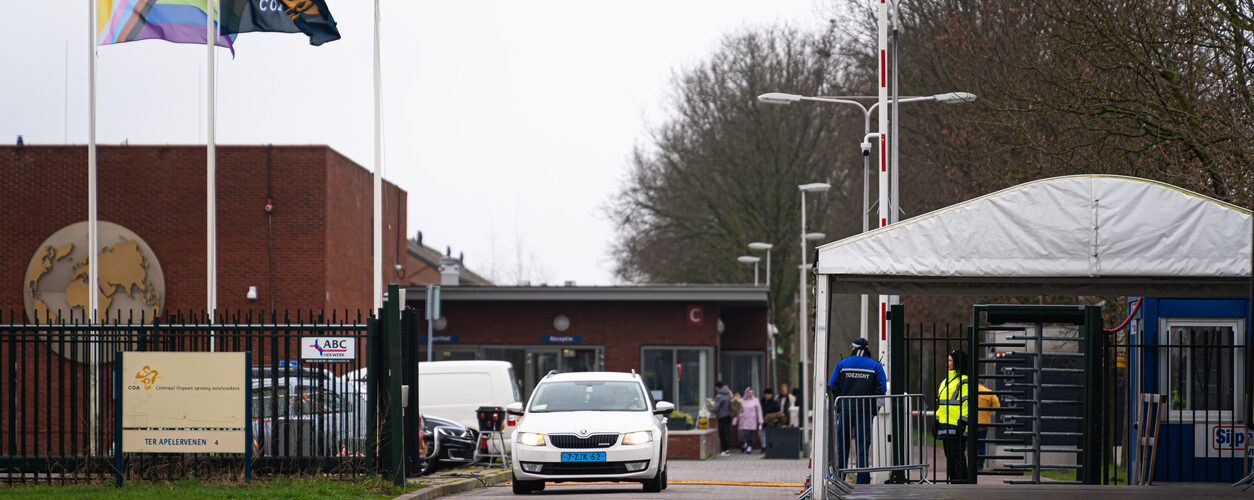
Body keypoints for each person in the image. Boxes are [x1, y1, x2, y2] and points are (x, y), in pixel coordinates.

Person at [828, 337, 887, 484]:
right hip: (865, 411)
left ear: (854, 349)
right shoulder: (875, 366)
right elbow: (882, 390)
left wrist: (838, 406)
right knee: (862, 446)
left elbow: (831, 386)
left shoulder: (842, 364)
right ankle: (862, 480)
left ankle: (839, 478)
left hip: (845, 410)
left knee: (843, 446)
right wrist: (875, 409)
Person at [937, 349, 970, 482]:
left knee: (957, 455)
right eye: (948, 360)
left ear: (957, 362)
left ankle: (963, 482)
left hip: (957, 425)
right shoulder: (945, 382)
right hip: (945, 425)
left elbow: (967, 403)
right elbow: (941, 405)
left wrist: (963, 421)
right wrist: (936, 421)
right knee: (949, 456)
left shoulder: (964, 381)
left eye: (950, 360)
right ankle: (953, 481)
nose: (948, 363)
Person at [976, 382, 1000, 470]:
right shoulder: (989, 392)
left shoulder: (968, 391)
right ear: (983, 384)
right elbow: (996, 406)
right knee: (982, 446)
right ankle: (980, 466)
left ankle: (971, 465)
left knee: (970, 445)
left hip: (970, 423)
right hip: (983, 424)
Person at [733, 387, 764, 453]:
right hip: (743, 421)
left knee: (751, 436)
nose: (750, 394)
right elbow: (737, 411)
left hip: (752, 421)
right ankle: (744, 444)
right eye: (749, 393)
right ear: (746, 393)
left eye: (751, 393)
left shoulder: (756, 400)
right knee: (741, 435)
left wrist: (760, 420)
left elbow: (759, 411)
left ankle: (749, 446)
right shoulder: (741, 401)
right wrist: (734, 421)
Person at [713, 381, 732, 456]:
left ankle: (724, 450)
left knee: (722, 434)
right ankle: (726, 450)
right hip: (728, 416)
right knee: (726, 433)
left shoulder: (719, 396)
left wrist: (709, 406)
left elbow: (715, 408)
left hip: (722, 416)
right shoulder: (728, 393)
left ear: (717, 387)